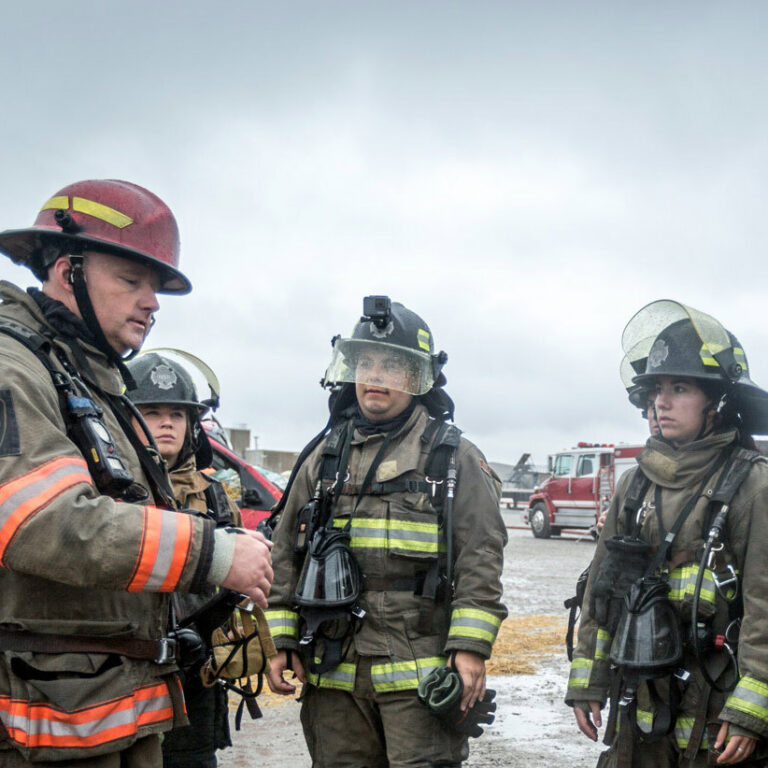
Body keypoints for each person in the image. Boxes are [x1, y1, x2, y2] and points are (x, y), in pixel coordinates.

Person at [0, 179, 272, 767]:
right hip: (47, 727)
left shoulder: (87, 380)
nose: (152, 302)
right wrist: (213, 553)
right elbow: (36, 522)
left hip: (100, 711)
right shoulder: (13, 368)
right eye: (131, 281)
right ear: (68, 269)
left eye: (156, 287)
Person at [264, 296, 507, 767]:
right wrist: (282, 642)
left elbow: (481, 556)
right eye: (367, 363)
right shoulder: (324, 457)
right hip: (333, 676)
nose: (376, 377)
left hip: (418, 679)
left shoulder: (451, 459)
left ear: (417, 378)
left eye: (392, 366)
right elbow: (284, 554)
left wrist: (470, 649)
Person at [566, 299, 768, 767]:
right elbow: (602, 593)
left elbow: (764, 605)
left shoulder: (752, 484)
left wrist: (751, 712)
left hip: (718, 712)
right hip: (638, 706)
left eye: (680, 388)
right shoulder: (636, 485)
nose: (662, 401)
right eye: (657, 389)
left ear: (716, 403)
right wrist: (587, 681)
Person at [126, 351, 242, 768]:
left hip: (195, 670)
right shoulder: (107, 489)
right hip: (125, 669)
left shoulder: (214, 495)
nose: (167, 422)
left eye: (177, 413)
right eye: (152, 412)